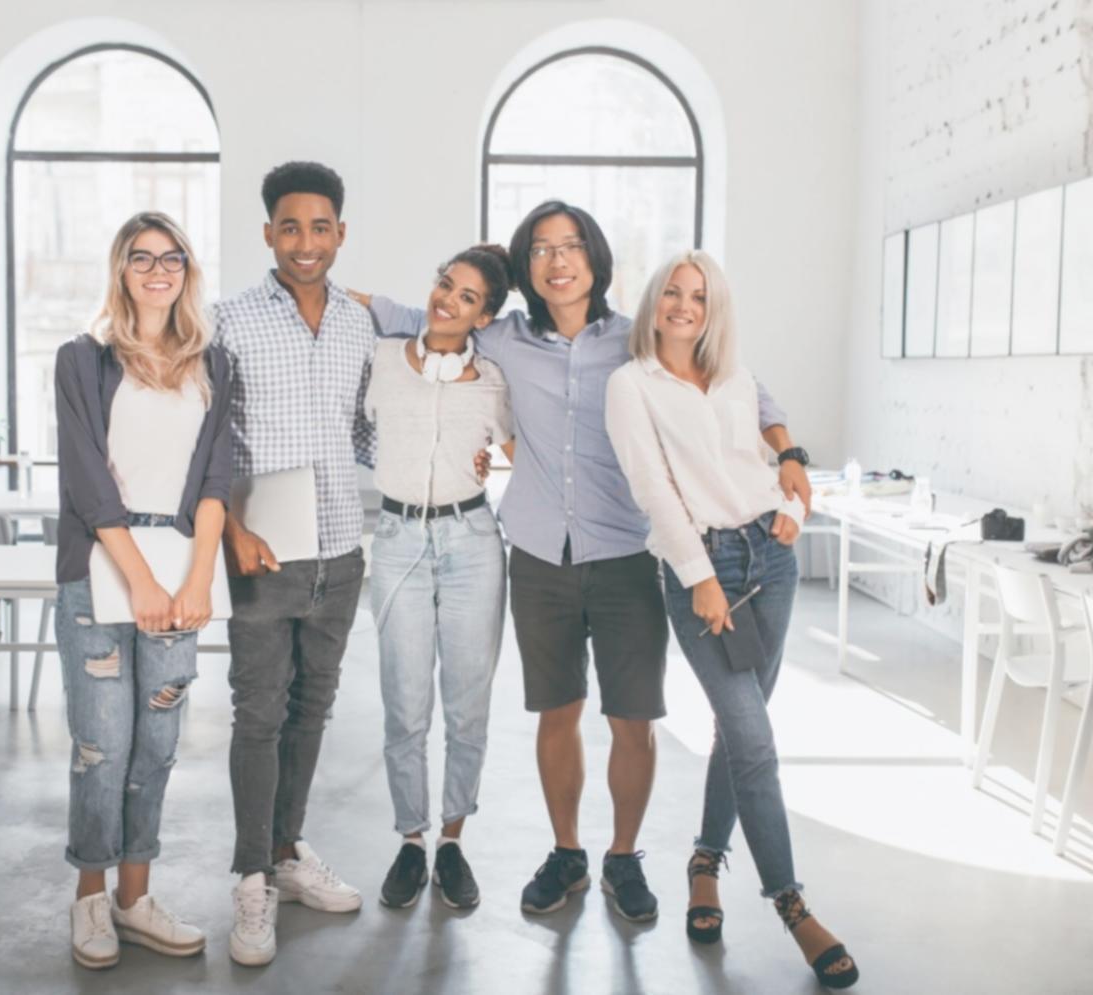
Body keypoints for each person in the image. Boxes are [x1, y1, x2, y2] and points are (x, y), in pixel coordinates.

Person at [359, 200, 813, 923]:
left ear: (596, 260)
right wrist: (315, 291)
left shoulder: (635, 338)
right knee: (555, 712)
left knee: (633, 717)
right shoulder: (501, 337)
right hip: (540, 554)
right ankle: (566, 849)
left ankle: (622, 856)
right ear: (526, 269)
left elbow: (743, 383)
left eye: (570, 246)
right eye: (540, 249)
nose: (557, 260)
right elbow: (406, 313)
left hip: (631, 552)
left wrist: (787, 450)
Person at [605, 250, 858, 989]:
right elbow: (652, 487)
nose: (684, 305)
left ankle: (703, 864)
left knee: (738, 728)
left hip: (770, 561)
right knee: (754, 740)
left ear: (714, 309)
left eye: (699, 296)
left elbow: (765, 449)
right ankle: (791, 902)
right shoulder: (631, 385)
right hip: (702, 569)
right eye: (673, 293)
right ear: (653, 302)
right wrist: (698, 577)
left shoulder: (736, 375)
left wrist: (789, 505)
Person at [52, 211, 231, 969]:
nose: (158, 270)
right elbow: (88, 481)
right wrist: (142, 579)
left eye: (172, 257)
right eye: (141, 257)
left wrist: (195, 578)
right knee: (101, 746)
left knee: (154, 747)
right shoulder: (83, 360)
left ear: (188, 270)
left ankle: (135, 899)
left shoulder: (212, 364)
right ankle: (90, 899)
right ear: (120, 270)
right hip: (103, 572)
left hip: (179, 573)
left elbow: (220, 475)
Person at [213, 161, 374, 967]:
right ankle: (251, 878)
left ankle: (286, 851)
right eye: (289, 227)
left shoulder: (357, 324)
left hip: (341, 551)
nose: (304, 243)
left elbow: (365, 432)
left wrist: (456, 454)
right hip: (263, 551)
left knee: (312, 713)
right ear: (268, 232)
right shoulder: (229, 321)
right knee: (259, 715)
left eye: (320, 228)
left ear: (339, 233)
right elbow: (203, 440)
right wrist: (228, 530)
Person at [365, 244, 516, 911]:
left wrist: (491, 462)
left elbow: (523, 451)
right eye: (443, 284)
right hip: (396, 539)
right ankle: (410, 837)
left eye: (465, 297)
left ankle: (452, 839)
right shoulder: (379, 362)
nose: (445, 301)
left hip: (473, 541)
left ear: (483, 315)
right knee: (403, 703)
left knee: (467, 703)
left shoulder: (491, 380)